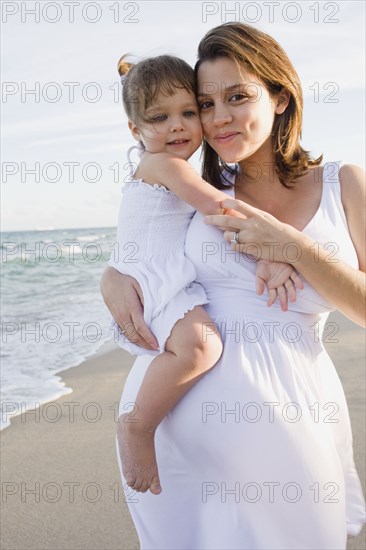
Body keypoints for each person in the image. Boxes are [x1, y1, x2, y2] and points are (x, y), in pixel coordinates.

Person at [101, 22, 365, 549]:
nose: (218, 117)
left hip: (290, 412)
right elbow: (144, 247)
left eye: (238, 97)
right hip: (174, 427)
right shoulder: (195, 191)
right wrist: (109, 277)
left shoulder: (344, 183)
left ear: (281, 97)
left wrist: (291, 247)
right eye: (205, 103)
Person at [110, 54, 303, 496]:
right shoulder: (166, 165)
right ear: (135, 130)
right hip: (154, 283)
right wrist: (272, 253)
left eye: (188, 113)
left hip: (158, 276)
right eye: (159, 118)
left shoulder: (170, 167)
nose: (177, 126)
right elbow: (220, 209)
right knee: (201, 346)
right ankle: (137, 427)